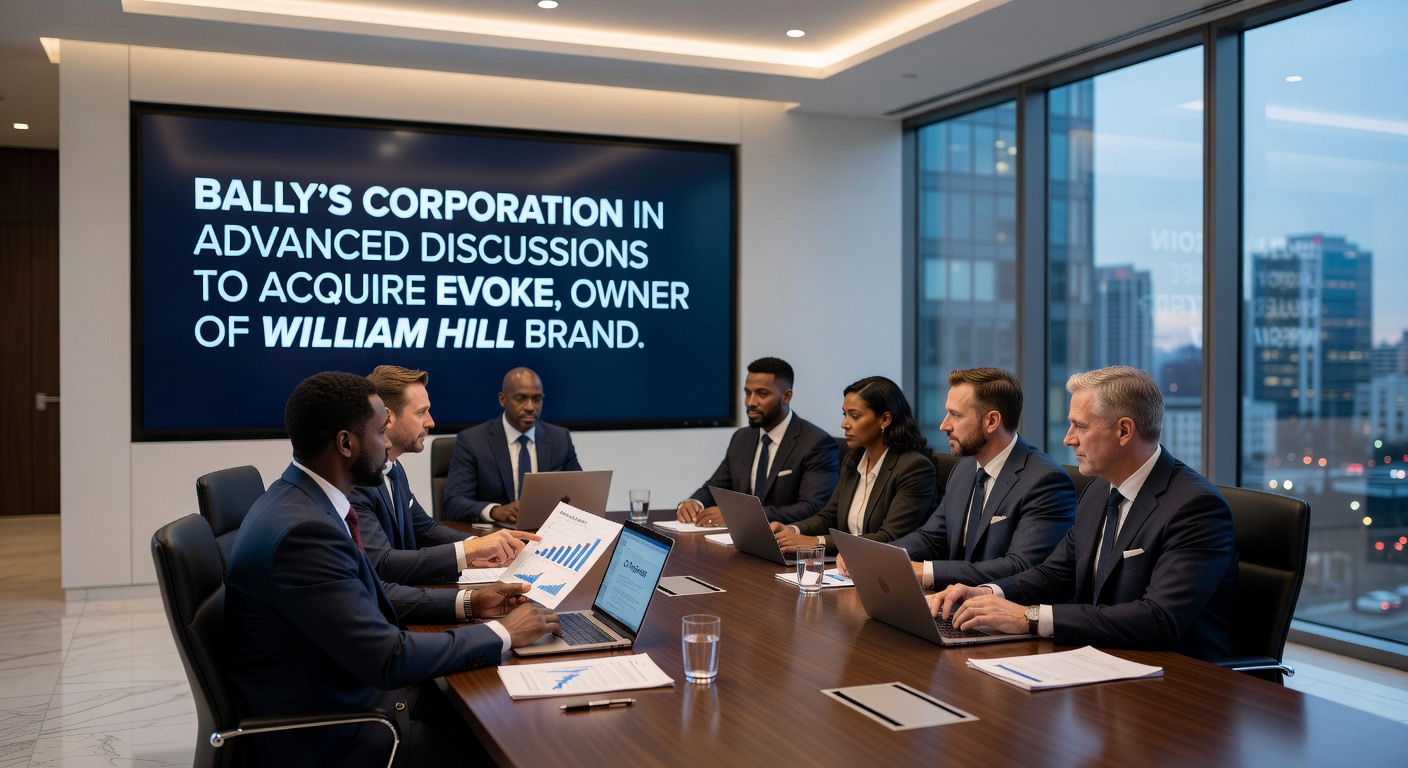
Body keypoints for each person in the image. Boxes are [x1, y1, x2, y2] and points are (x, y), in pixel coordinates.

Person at [225, 371, 560, 766]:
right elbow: (389, 659)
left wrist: (472, 603)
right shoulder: (306, 532)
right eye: (380, 432)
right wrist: (503, 631)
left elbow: (371, 597)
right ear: (346, 444)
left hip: (349, 688)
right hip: (336, 730)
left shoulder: (306, 501)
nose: (387, 443)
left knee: (508, 710)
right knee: (515, 744)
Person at [929, 366, 1237, 661]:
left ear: (1124, 431)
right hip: (1100, 657)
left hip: (1178, 678)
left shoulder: (1196, 507)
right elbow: (1057, 574)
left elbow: (1157, 619)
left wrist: (1030, 617)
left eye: (1081, 425)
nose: (1068, 438)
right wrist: (987, 593)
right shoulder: (1099, 491)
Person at [840, 368, 1076, 586]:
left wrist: (926, 572)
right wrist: (872, 556)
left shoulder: (1046, 481)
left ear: (991, 421)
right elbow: (931, 537)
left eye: (955, 415)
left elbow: (1021, 566)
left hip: (1005, 615)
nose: (944, 425)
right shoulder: (964, 469)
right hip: (954, 606)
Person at [351, 365, 538, 587]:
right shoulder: (357, 481)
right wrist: (467, 552)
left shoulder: (393, 468)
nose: (431, 422)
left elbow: (425, 530)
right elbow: (382, 564)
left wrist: (482, 545)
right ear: (387, 418)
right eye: (421, 412)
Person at [771, 376, 935, 553]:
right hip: (846, 566)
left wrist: (816, 542)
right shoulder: (854, 459)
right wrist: (792, 530)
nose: (844, 424)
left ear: (885, 419)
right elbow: (828, 517)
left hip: (886, 569)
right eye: (845, 414)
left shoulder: (915, 468)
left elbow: (888, 538)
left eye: (855, 416)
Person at [677, 357, 840, 526]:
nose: (751, 402)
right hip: (739, 539)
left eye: (762, 394)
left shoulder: (816, 443)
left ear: (786, 397)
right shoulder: (742, 437)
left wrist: (741, 515)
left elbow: (812, 507)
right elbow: (716, 487)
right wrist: (695, 503)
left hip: (784, 542)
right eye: (748, 393)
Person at [443, 367, 582, 524]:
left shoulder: (559, 438)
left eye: (537, 399)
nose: (530, 407)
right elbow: (453, 503)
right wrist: (494, 511)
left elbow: (580, 495)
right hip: (496, 537)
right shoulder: (472, 441)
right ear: (502, 399)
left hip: (547, 533)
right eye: (521, 398)